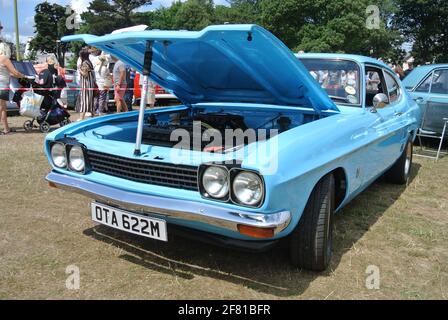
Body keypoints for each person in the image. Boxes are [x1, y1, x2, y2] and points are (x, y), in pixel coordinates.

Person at [0, 42, 28, 135]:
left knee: (3, 108)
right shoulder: (4, 58)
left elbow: (8, 73)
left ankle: (6, 128)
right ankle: (5, 129)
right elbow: (14, 72)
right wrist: (23, 76)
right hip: (2, 86)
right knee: (1, 108)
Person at [78, 48, 95, 121]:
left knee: (84, 101)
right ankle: (93, 117)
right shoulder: (89, 62)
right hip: (90, 85)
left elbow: (85, 74)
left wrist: (79, 69)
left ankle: (81, 118)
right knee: (90, 101)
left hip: (86, 85)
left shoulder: (84, 63)